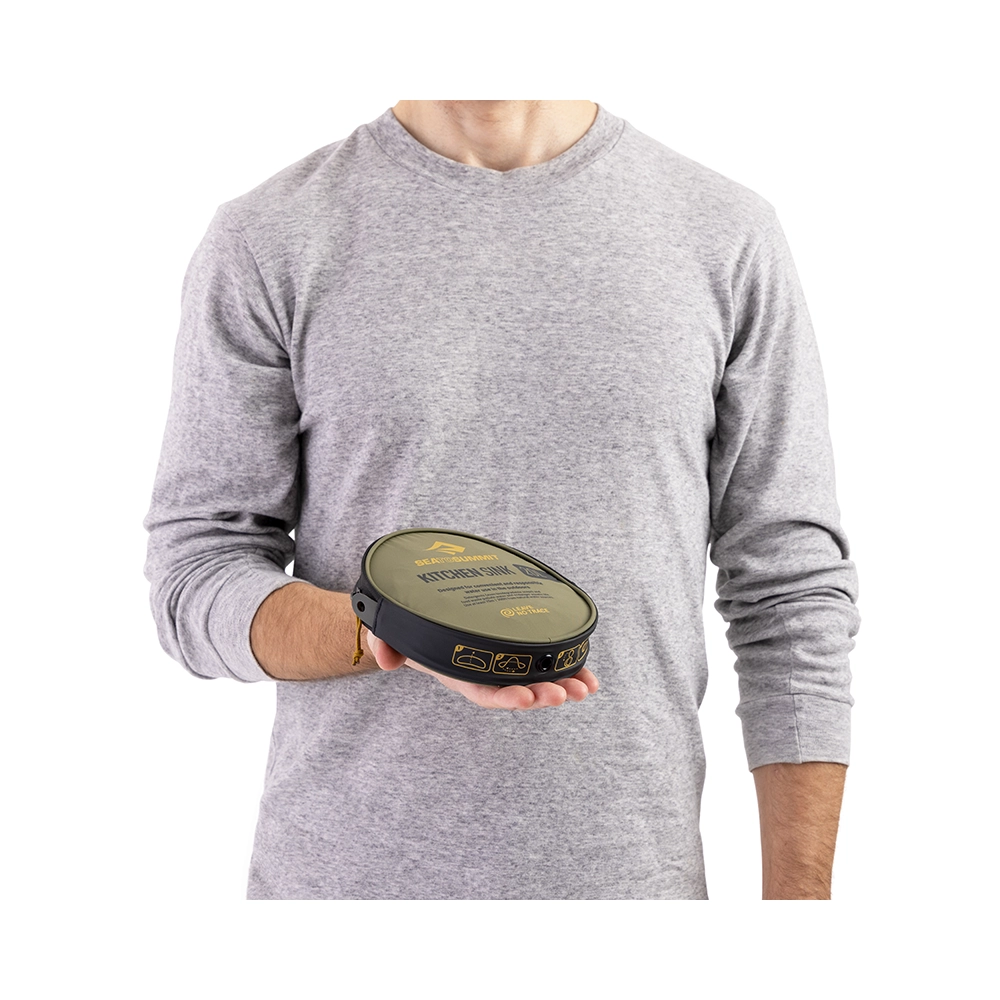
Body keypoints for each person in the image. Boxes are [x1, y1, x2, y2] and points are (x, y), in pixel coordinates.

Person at [143, 100, 861, 900]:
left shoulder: (725, 232)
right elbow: (195, 573)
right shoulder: (270, 235)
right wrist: (390, 632)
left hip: (632, 893)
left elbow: (790, 592)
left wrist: (799, 924)